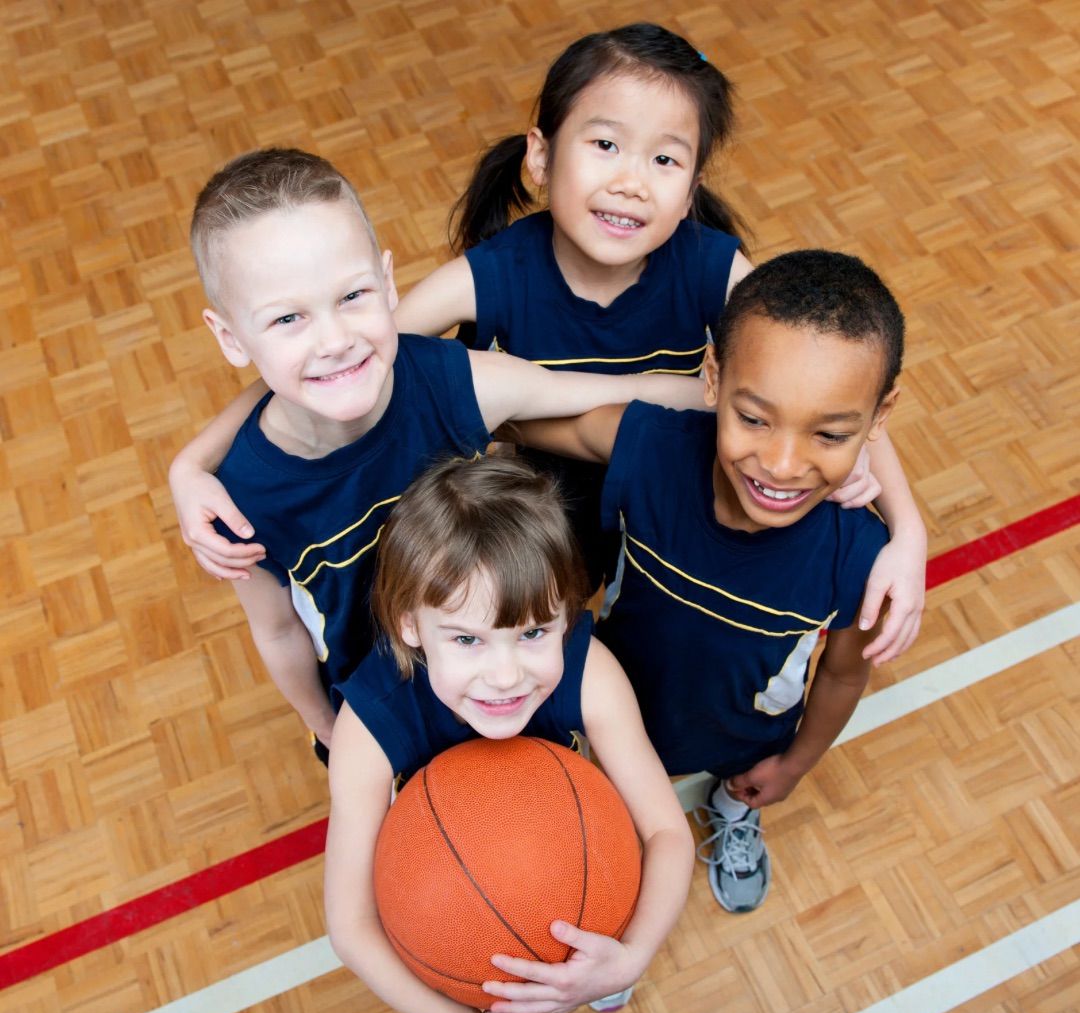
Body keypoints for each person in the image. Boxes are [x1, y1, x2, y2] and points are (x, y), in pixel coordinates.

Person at [170, 23, 925, 664]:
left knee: (661, 650)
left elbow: (828, 375)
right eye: (605, 144)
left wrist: (906, 526)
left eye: (664, 159)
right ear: (540, 157)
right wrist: (194, 462)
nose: (632, 181)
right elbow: (341, 355)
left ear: (690, 187)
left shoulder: (713, 264)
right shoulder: (488, 274)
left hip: (671, 497)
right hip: (543, 518)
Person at [177, 147, 709, 759]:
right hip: (388, 720)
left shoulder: (456, 385)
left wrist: (768, 411)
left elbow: (628, 392)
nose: (334, 340)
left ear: (387, 282)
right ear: (228, 336)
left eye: (352, 297)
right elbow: (277, 631)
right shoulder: (238, 498)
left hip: (510, 678)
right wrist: (333, 732)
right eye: (289, 318)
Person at [504, 249, 908, 915]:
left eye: (830, 435)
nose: (781, 465)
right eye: (754, 418)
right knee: (617, 812)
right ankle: (614, 896)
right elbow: (542, 421)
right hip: (623, 713)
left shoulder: (863, 556)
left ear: (879, 416)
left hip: (748, 738)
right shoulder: (654, 447)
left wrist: (795, 763)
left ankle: (733, 809)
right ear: (714, 377)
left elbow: (840, 676)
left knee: (745, 781)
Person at [324, 455, 694, 1013]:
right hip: (449, 880)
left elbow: (667, 833)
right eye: (468, 639)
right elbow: (350, 924)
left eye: (532, 633)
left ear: (566, 614)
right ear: (409, 625)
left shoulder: (588, 671)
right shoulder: (367, 727)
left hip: (566, 853)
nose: (505, 675)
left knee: (602, 912)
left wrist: (631, 956)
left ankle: (595, 965)